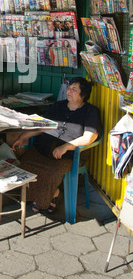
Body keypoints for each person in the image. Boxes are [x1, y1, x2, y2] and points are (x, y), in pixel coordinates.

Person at [10, 77, 102, 214]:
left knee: (52, 172)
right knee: (25, 163)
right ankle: (54, 193)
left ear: (83, 95)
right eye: (69, 88)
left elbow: (90, 137)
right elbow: (42, 126)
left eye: (74, 89)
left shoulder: (90, 111)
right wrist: (23, 136)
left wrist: (66, 147)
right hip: (44, 149)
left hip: (69, 155)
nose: (69, 91)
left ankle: (43, 200)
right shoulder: (58, 106)